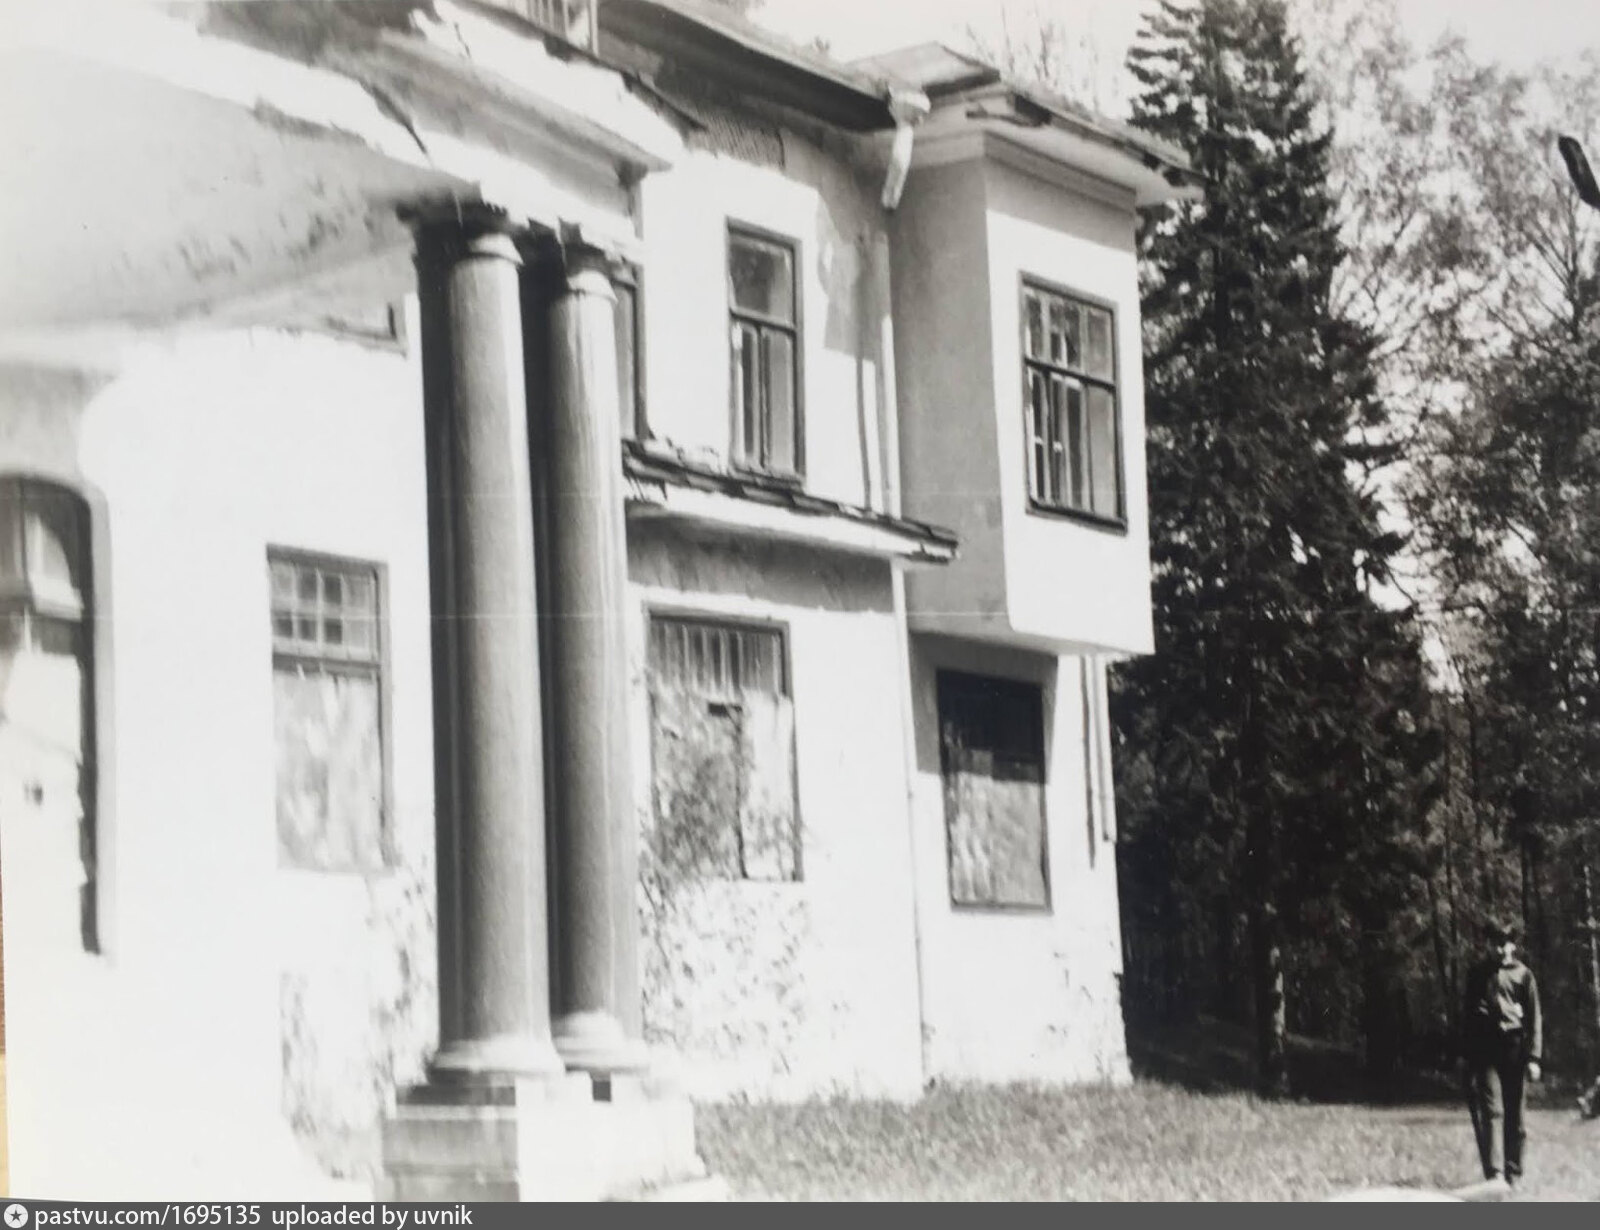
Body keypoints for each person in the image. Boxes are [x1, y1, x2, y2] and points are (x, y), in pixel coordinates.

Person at [1460, 919, 1542, 1187]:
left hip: (1514, 1049)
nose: (1500, 949)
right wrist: (1464, 1055)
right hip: (1485, 1050)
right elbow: (1467, 1017)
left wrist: (1534, 1057)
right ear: (1487, 944)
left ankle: (1513, 1172)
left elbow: (1534, 1018)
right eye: (1495, 943)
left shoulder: (1523, 975)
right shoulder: (1477, 974)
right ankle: (1494, 1174)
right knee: (1491, 1111)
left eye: (1505, 943)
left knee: (1515, 1114)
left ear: (1513, 945)